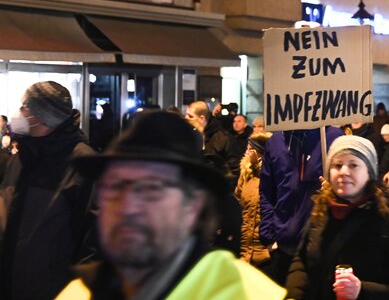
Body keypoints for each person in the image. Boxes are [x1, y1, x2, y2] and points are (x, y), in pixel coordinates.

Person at [56, 111, 285, 299]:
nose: (127, 206)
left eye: (150, 189)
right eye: (115, 187)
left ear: (193, 205)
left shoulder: (246, 293)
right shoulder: (79, 293)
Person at [286, 135, 389, 299]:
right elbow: (301, 264)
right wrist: (294, 294)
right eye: (337, 165)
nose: (344, 172)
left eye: (353, 165)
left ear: (369, 173)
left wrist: (362, 290)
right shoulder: (320, 215)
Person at [0, 81, 98, 299]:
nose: (20, 112)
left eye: (24, 106)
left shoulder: (82, 162)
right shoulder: (21, 157)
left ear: (41, 116)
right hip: (11, 286)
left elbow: (94, 239)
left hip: (53, 290)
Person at [260, 126, 344, 285]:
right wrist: (268, 236)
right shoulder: (275, 142)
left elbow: (349, 186)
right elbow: (266, 190)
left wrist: (334, 191)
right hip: (283, 245)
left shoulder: (334, 137)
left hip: (322, 244)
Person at [235, 132, 273, 275]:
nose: (245, 153)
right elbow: (238, 201)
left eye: (248, 149)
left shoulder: (273, 173)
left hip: (265, 253)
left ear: (255, 152)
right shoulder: (246, 173)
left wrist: (259, 168)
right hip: (245, 251)